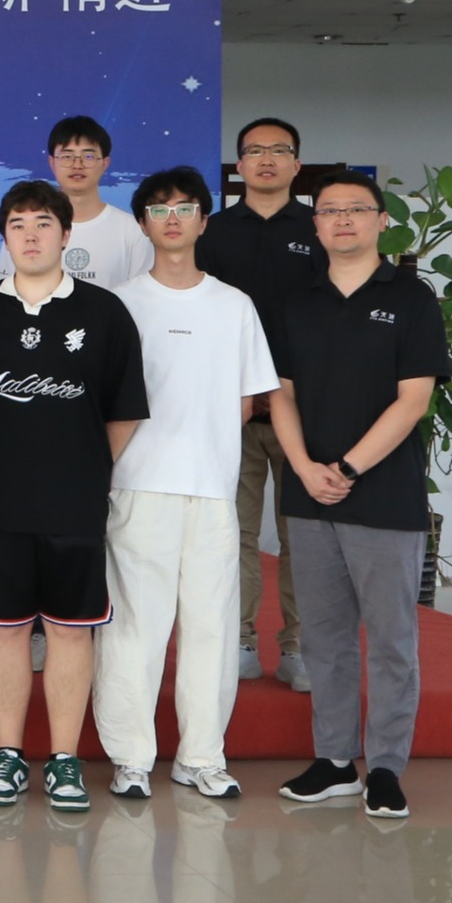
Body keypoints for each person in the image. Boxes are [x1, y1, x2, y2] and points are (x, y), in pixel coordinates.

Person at [0, 181, 148, 813]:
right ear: (3, 237)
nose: (30, 235)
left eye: (42, 223)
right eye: (17, 224)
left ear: (66, 234)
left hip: (74, 503)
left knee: (69, 630)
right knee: (6, 630)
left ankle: (64, 760)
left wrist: (82, 465)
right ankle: (8, 755)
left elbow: (124, 409)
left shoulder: (104, 312)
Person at [268, 171, 449, 823]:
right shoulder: (296, 301)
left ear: (380, 220)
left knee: (392, 638)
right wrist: (303, 467)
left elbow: (413, 400)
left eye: (356, 208)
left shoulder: (411, 298)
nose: (342, 219)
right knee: (324, 637)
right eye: (329, 210)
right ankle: (335, 761)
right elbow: (280, 394)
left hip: (385, 496)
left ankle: (387, 768)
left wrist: (344, 467)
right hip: (309, 494)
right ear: (314, 224)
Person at [94, 167, 277, 802]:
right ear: (143, 223)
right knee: (134, 628)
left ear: (203, 220)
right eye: (159, 209)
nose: (172, 219)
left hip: (211, 489)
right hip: (137, 485)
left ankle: (201, 756)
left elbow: (250, 400)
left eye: (184, 208)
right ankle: (131, 757)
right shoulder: (117, 303)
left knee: (211, 628)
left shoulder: (235, 305)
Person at [196, 116, 319, 691]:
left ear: (296, 164)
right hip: (232, 411)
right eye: (255, 151)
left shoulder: (320, 228)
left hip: (306, 413)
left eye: (279, 150)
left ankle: (299, 647)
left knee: (303, 537)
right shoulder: (212, 232)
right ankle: (240, 639)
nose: (266, 160)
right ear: (238, 165)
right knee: (234, 534)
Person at [0, 115, 152, 290]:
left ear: (105, 163)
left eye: (88, 156)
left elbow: (141, 296)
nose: (77, 165)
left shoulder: (132, 231)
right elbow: (4, 293)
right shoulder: (23, 230)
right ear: (52, 162)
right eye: (67, 156)